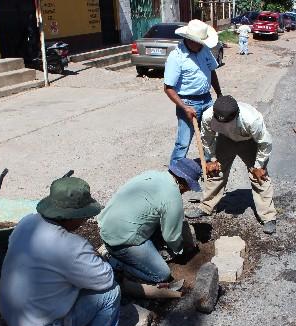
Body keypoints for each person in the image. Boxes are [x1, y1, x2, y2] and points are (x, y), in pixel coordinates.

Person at [0, 176, 125, 326]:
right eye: (83, 215)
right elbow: (106, 280)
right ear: (73, 216)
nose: (85, 219)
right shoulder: (71, 247)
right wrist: (96, 258)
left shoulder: (27, 223)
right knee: (111, 293)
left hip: (14, 316)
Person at [98, 158, 202, 283]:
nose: (187, 191)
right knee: (162, 274)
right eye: (189, 187)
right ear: (184, 183)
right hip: (121, 241)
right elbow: (171, 237)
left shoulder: (151, 174)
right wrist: (180, 250)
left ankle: (112, 250)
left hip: (106, 226)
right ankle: (114, 264)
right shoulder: (172, 197)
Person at [185, 95, 278, 234]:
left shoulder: (252, 120)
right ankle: (206, 207)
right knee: (215, 172)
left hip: (248, 140)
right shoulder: (208, 116)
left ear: (236, 116)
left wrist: (259, 166)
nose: (222, 125)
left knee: (259, 177)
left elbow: (265, 143)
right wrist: (212, 159)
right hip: (226, 139)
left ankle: (268, 217)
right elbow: (207, 138)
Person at [164, 19, 223, 164]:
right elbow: (168, 88)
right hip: (188, 102)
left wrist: (219, 94)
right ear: (190, 40)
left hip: (207, 100)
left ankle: (208, 165)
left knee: (208, 136)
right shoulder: (176, 57)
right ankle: (176, 174)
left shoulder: (204, 50)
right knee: (183, 141)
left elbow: (212, 71)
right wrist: (184, 107)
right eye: (200, 42)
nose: (203, 44)